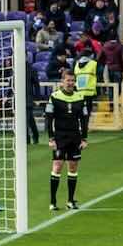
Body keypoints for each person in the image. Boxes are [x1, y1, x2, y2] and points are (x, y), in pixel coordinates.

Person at [46, 67, 91, 210]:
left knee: (73, 167)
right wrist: (51, 138)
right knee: (57, 166)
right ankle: (53, 202)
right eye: (68, 80)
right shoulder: (54, 97)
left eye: (72, 80)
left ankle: (70, 201)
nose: (70, 83)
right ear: (62, 81)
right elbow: (49, 118)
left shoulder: (80, 98)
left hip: (75, 137)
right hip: (60, 137)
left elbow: (84, 119)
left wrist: (84, 138)